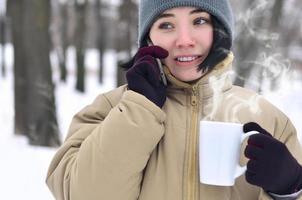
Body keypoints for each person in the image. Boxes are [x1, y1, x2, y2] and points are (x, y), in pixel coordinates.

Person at [46, 0, 302, 199]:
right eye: (166, 25)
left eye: (199, 20)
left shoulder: (269, 119)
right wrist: (138, 109)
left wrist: (291, 188)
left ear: (220, 31)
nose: (184, 40)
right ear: (149, 38)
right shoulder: (109, 109)